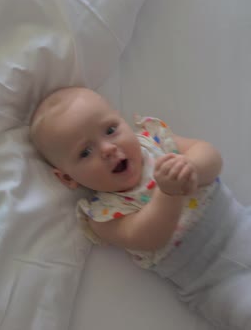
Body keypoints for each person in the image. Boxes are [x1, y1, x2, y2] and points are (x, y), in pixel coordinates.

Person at [29, 86, 251, 330]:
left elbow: (211, 157)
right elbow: (146, 238)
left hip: (241, 226)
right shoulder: (102, 213)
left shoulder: (155, 141)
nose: (107, 149)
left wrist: (192, 168)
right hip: (214, 282)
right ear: (68, 179)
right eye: (85, 152)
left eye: (111, 130)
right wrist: (168, 192)